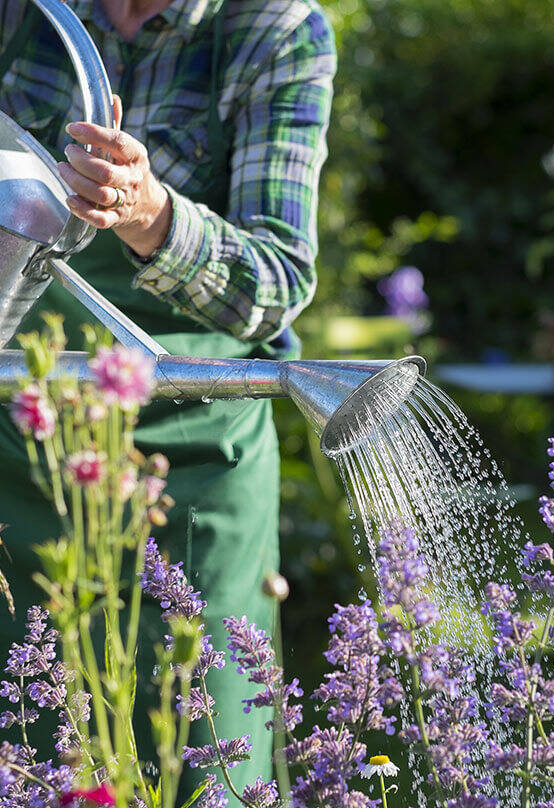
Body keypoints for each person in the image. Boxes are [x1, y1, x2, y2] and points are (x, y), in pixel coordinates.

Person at [0, 0, 336, 799]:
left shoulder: (274, 28)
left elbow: (277, 283)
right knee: (27, 754)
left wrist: (149, 212)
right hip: (25, 440)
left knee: (205, 759)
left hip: (192, 458)